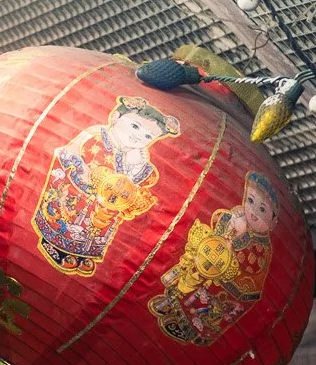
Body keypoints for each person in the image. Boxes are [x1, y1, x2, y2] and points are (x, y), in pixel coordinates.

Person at [33, 97, 181, 276]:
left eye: (148, 136)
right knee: (70, 218)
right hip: (79, 187)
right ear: (116, 117)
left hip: (106, 200)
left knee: (94, 229)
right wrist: (82, 169)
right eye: (135, 126)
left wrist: (135, 170)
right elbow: (69, 150)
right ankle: (56, 247)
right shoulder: (96, 134)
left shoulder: (138, 158)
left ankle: (83, 254)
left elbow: (135, 181)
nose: (138, 136)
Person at [149, 173, 280, 346]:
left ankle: (188, 328)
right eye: (250, 201)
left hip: (231, 288)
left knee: (202, 310)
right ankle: (171, 303)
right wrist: (229, 220)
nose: (253, 213)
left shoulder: (261, 248)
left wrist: (232, 240)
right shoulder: (240, 222)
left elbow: (244, 265)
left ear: (272, 222)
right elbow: (217, 228)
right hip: (210, 270)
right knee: (190, 278)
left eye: (262, 210)